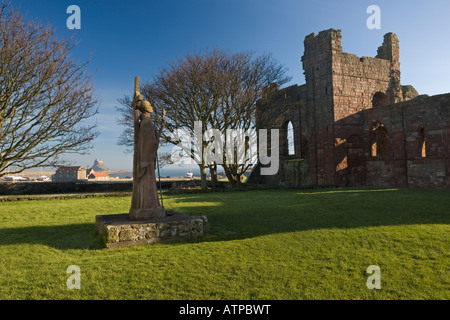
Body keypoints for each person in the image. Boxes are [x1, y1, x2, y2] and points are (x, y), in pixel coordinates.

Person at [129, 86, 166, 220]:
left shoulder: (144, 123)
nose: (151, 107)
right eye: (149, 105)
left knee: (147, 184)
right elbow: (151, 143)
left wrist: (161, 127)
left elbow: (152, 141)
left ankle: (148, 208)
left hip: (146, 159)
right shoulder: (147, 123)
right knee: (148, 184)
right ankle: (150, 208)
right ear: (146, 108)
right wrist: (159, 131)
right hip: (147, 161)